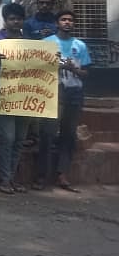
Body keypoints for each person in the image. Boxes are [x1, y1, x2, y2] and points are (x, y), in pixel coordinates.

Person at [37, 10, 91, 191]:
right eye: (63, 19)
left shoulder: (80, 45)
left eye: (70, 20)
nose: (67, 22)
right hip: (52, 92)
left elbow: (86, 73)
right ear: (57, 23)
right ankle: (42, 175)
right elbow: (38, 68)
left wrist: (73, 69)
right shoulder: (47, 43)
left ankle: (62, 174)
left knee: (68, 135)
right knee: (47, 134)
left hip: (74, 93)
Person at [0, 2, 30, 194]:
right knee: (7, 138)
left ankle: (12, 178)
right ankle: (4, 179)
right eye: (12, 19)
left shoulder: (28, 41)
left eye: (19, 19)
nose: (16, 22)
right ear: (5, 20)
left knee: (20, 139)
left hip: (26, 95)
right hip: (3, 95)